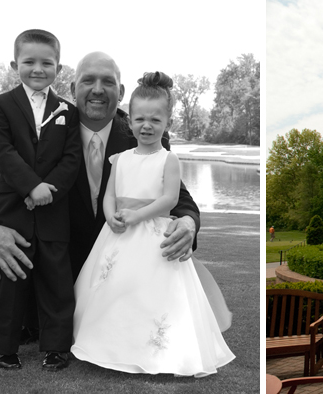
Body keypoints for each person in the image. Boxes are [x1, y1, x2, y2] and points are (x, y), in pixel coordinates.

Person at [0, 52, 203, 369]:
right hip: (54, 289)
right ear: (73, 87)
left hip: (119, 290)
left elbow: (178, 196)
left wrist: (188, 222)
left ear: (120, 93)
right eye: (88, 80)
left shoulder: (142, 133)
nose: (97, 89)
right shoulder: (46, 132)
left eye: (107, 82)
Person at [71, 72, 234, 377]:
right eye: (140, 119)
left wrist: (137, 216)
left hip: (150, 234)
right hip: (117, 235)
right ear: (129, 120)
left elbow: (170, 200)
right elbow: (110, 195)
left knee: (149, 291)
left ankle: (154, 352)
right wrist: (111, 215)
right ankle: (109, 347)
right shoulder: (119, 159)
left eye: (155, 120)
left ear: (166, 123)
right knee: (114, 287)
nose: (146, 126)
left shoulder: (168, 159)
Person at [0, 29, 82, 371]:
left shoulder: (68, 111)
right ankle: (2, 346)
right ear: (15, 64)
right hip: (15, 213)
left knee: (57, 283)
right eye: (29, 62)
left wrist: (47, 190)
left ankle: (56, 347)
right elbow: (3, 152)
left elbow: (71, 159)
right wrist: (30, 188)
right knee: (10, 282)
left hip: (54, 212)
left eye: (46, 63)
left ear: (58, 67)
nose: (37, 69)